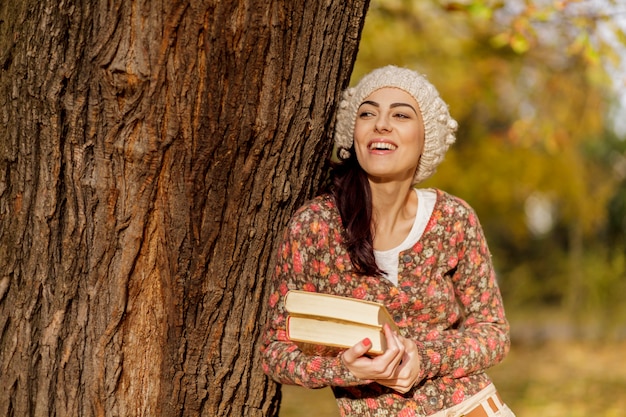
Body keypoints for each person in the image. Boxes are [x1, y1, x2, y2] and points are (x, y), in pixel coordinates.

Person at [260, 65, 515, 417]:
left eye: (401, 114)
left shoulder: (455, 219)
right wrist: (345, 370)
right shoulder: (315, 227)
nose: (381, 124)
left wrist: (423, 358)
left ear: (426, 138)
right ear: (354, 134)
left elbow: (493, 334)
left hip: (472, 407)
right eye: (368, 113)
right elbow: (275, 351)